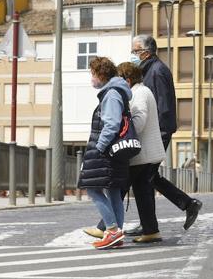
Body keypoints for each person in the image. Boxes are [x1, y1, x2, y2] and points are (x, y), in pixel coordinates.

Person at [130, 34, 202, 233]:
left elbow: (164, 107)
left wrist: (157, 134)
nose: (132, 54)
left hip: (158, 133)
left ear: (146, 52)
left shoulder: (157, 71)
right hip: (156, 132)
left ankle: (152, 224)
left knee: (144, 177)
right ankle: (182, 207)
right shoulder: (149, 70)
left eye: (135, 51)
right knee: (147, 177)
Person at [78, 57, 132, 250]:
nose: (91, 79)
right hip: (115, 152)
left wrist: (99, 148)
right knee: (114, 191)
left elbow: (111, 125)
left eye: (92, 74)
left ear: (101, 74)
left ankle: (112, 230)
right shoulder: (118, 92)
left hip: (106, 151)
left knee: (93, 189)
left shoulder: (111, 94)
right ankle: (116, 233)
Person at [117, 61, 166, 244]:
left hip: (141, 154)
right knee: (143, 192)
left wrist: (120, 130)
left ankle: (105, 227)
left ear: (127, 80)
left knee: (119, 188)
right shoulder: (142, 91)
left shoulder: (139, 93)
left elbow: (139, 121)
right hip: (146, 153)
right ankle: (151, 230)